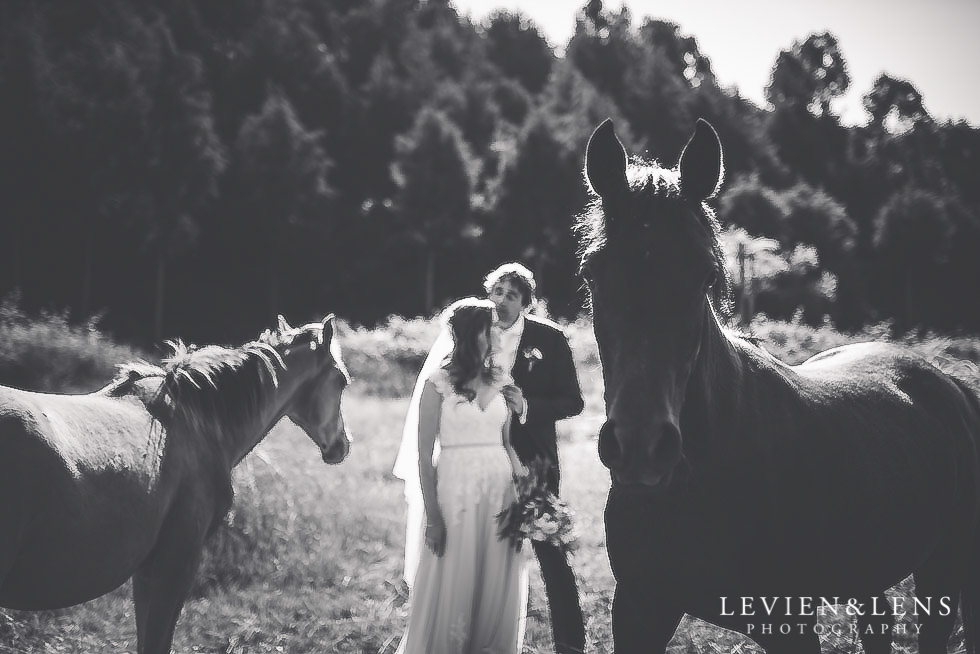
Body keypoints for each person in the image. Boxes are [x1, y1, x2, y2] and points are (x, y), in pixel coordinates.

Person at [392, 297, 529, 653]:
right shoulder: (437, 383)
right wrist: (433, 518)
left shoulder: (501, 380)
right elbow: (423, 456)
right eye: (491, 326)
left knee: (495, 575)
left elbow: (507, 443)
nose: (498, 333)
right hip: (456, 492)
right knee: (456, 573)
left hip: (500, 493)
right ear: (474, 334)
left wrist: (527, 488)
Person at [485, 262, 586, 654]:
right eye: (497, 292)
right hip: (481, 460)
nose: (503, 301)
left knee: (550, 551)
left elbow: (574, 401)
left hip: (534, 464)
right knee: (484, 548)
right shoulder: (473, 333)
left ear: (526, 302)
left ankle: (570, 644)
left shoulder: (550, 338)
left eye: (512, 295)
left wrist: (528, 405)